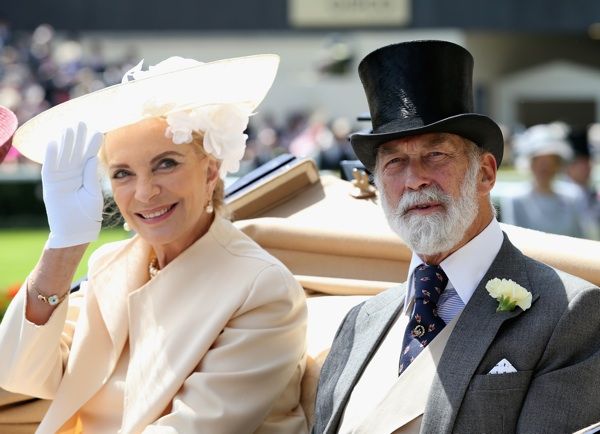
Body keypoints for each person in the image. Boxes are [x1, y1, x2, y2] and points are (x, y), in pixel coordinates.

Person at [0, 55, 308, 434]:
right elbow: (20, 373)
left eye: (166, 164)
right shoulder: (110, 265)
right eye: (123, 173)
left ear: (210, 170)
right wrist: (64, 245)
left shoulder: (260, 287)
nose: (145, 192)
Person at [311, 40, 600, 433]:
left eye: (436, 155)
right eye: (395, 162)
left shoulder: (569, 313)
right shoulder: (361, 321)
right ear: (378, 185)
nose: (415, 179)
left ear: (485, 173)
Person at [501, 122, 583, 238]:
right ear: (530, 163)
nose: (545, 167)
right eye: (540, 161)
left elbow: (580, 238)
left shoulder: (573, 196)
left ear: (558, 164)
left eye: (551, 161)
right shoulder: (515, 198)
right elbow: (515, 240)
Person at [563, 128, 600, 240]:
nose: (586, 167)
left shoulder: (593, 194)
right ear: (569, 166)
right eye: (580, 163)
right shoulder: (562, 194)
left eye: (587, 162)